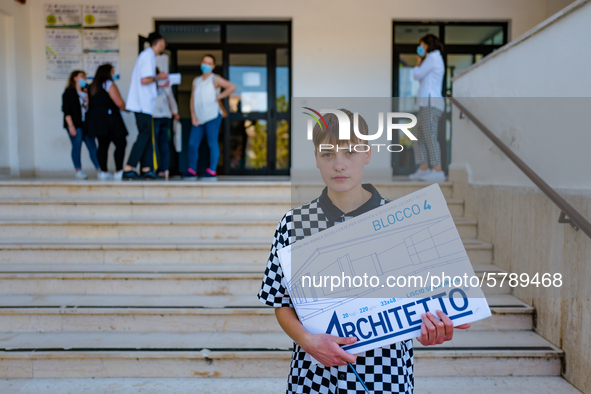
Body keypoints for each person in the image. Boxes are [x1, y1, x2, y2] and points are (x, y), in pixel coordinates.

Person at [257, 109, 470, 393]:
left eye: (350, 153)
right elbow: (281, 302)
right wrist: (308, 341)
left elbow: (429, 303)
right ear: (316, 158)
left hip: (385, 376)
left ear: (367, 154)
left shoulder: (405, 221)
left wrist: (431, 327)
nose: (339, 164)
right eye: (328, 154)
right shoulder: (294, 223)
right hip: (314, 376)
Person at [122, 32, 169, 180]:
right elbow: (145, 80)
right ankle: (129, 167)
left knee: (147, 135)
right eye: (164, 42)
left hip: (144, 104)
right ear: (159, 42)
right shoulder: (148, 56)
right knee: (144, 134)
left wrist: (159, 83)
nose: (164, 45)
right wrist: (158, 77)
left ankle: (147, 168)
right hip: (142, 104)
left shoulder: (147, 56)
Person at [184, 54, 236, 181]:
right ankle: (192, 170)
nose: (206, 65)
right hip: (199, 117)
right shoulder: (196, 80)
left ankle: (212, 170)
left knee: (212, 143)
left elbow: (232, 87)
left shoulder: (215, 79)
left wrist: (219, 97)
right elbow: (192, 98)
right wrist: (192, 115)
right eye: (204, 62)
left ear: (213, 66)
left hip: (212, 115)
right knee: (192, 144)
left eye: (209, 63)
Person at [409, 34, 446, 182]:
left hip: (431, 103)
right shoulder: (432, 58)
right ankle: (423, 168)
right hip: (426, 104)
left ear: (427, 45)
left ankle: (437, 170)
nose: (420, 48)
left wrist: (418, 61)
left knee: (430, 135)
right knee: (416, 135)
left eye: (422, 45)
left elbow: (417, 74)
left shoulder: (432, 57)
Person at [86, 64, 128, 181]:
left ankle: (103, 172)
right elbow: (118, 102)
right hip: (111, 120)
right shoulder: (109, 84)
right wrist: (128, 108)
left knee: (102, 145)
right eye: (112, 72)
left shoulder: (92, 86)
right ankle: (119, 170)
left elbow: (89, 104)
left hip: (97, 122)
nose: (113, 74)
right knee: (120, 143)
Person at [61, 70, 100, 179]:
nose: (84, 79)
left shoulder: (86, 92)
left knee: (92, 147)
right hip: (75, 124)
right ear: (75, 78)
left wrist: (89, 94)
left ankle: (100, 169)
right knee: (77, 146)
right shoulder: (69, 92)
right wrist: (71, 126)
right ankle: (78, 170)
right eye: (82, 76)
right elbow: (66, 111)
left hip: (86, 124)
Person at [146, 55, 179, 180]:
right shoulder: (166, 84)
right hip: (166, 116)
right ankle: (164, 170)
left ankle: (153, 169)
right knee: (163, 144)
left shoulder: (149, 85)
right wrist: (175, 112)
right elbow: (172, 100)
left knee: (153, 144)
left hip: (155, 116)